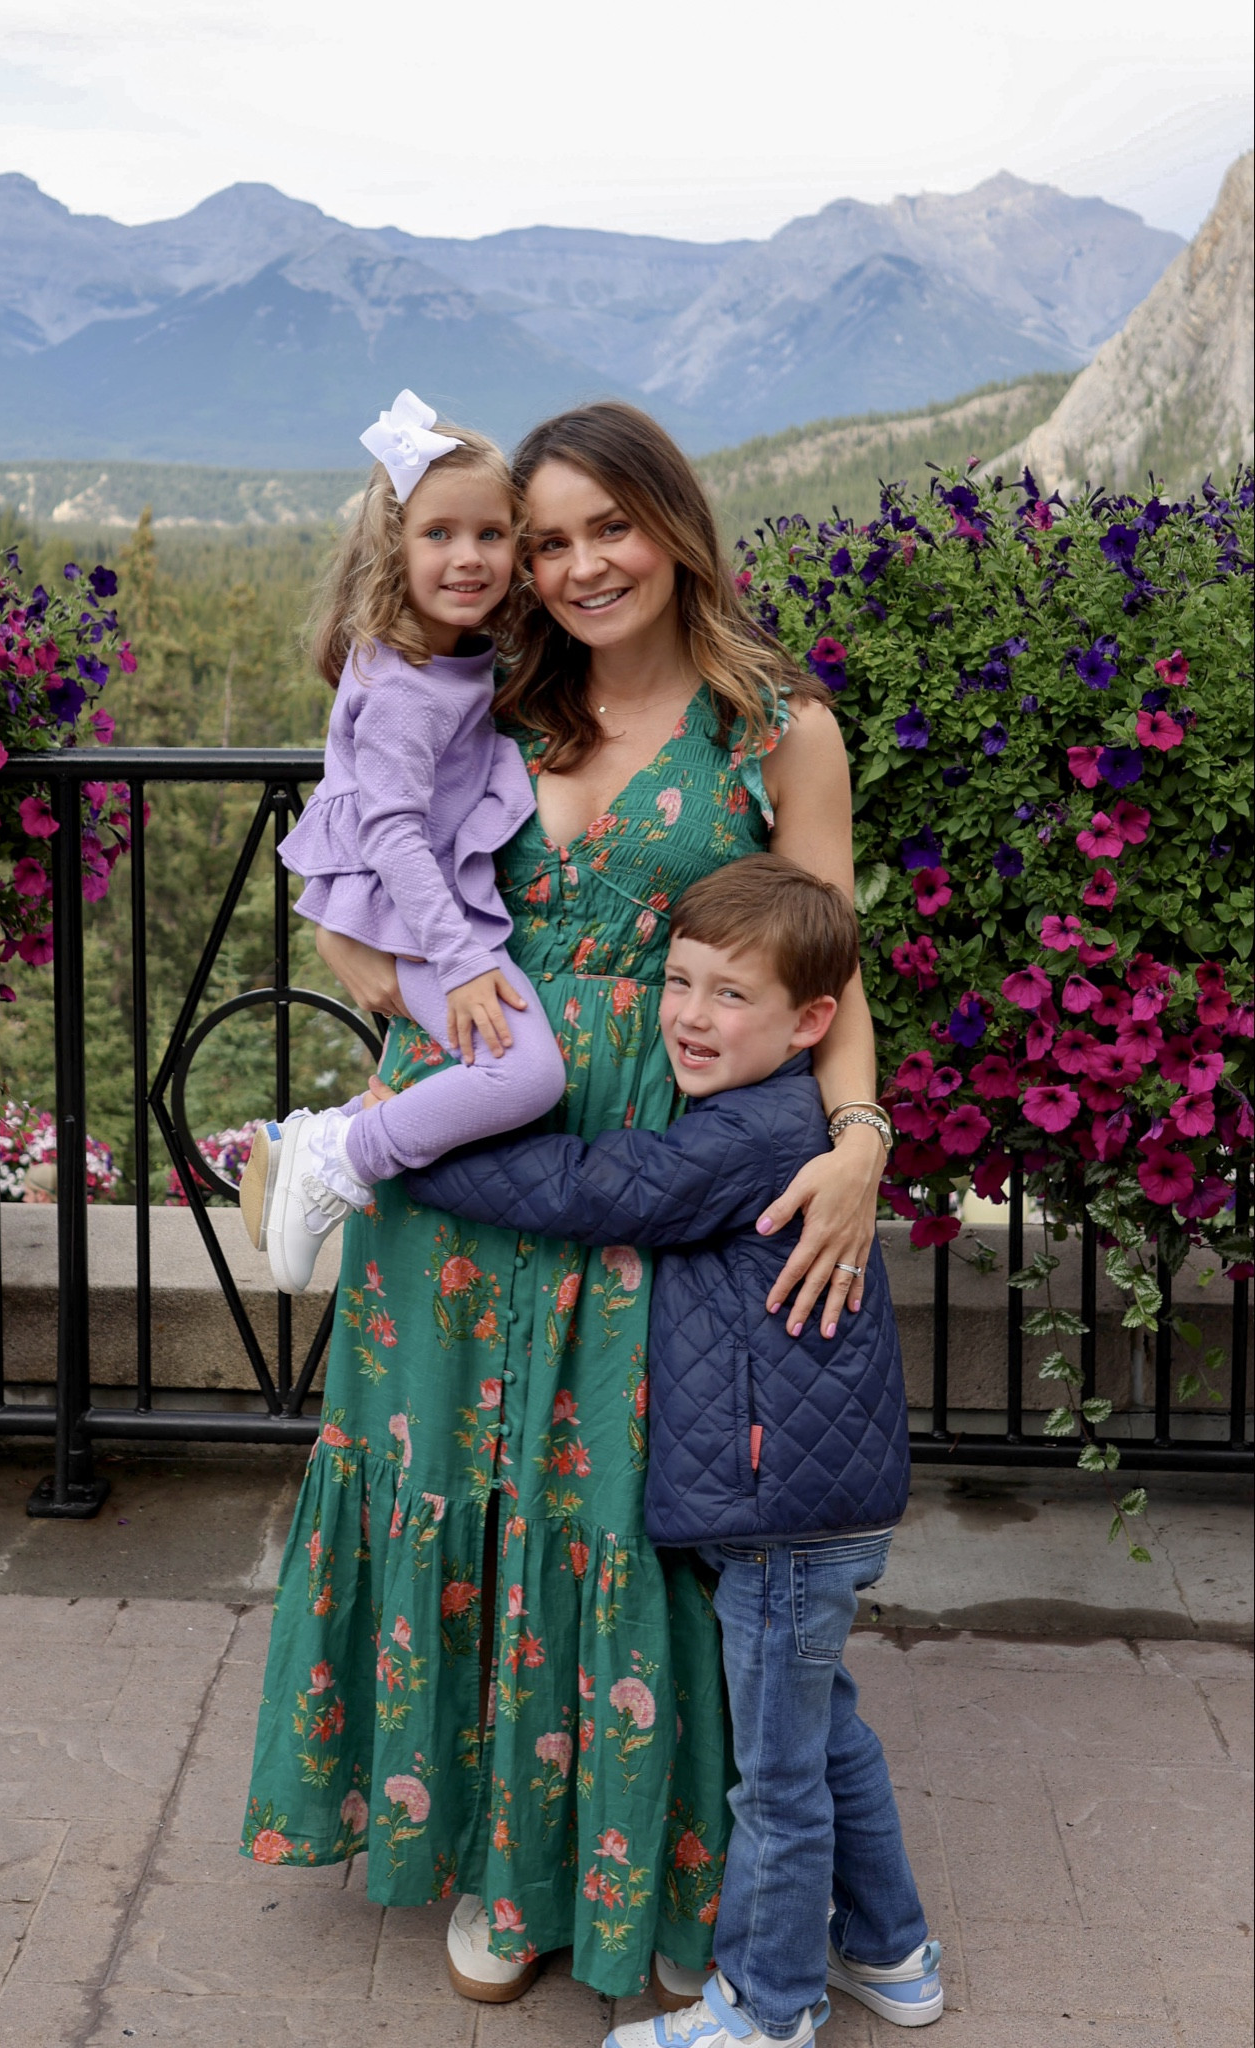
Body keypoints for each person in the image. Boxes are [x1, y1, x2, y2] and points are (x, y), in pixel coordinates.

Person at [241, 400, 887, 2008]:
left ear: (675, 525)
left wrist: (863, 1135)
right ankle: (497, 1867)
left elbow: (828, 962)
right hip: (462, 1159)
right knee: (457, 1472)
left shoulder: (777, 735)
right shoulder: (482, 698)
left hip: (652, 1179)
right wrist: (425, 1012)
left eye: (610, 527)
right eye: (547, 539)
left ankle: (619, 1855)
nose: (580, 564)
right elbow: (342, 909)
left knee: (613, 1502)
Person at [405, 854, 939, 2047]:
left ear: (811, 1021)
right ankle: (890, 1949)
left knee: (778, 1773)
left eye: (728, 994)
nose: (691, 1016)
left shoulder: (756, 1132)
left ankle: (767, 2008)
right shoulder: (757, 1110)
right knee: (825, 1725)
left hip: (782, 1513)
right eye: (679, 982)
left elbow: (601, 1184)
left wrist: (410, 1146)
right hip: (805, 1500)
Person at [240, 388, 565, 1293]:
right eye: (438, 535)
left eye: (492, 535)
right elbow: (390, 828)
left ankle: (320, 1141)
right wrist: (458, 960)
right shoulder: (406, 688)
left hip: (424, 916)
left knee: (493, 1072)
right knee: (525, 1076)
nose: (468, 557)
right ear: (395, 545)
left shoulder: (447, 651)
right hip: (412, 919)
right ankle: (339, 1152)